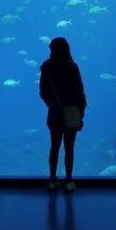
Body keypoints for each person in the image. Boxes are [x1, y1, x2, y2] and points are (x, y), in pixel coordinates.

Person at [39, 37, 87, 192]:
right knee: (69, 148)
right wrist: (81, 111)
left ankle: (52, 179)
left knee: (54, 147)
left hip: (55, 112)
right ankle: (68, 180)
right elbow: (80, 92)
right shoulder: (72, 67)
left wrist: (51, 104)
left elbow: (42, 91)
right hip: (71, 111)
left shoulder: (46, 67)